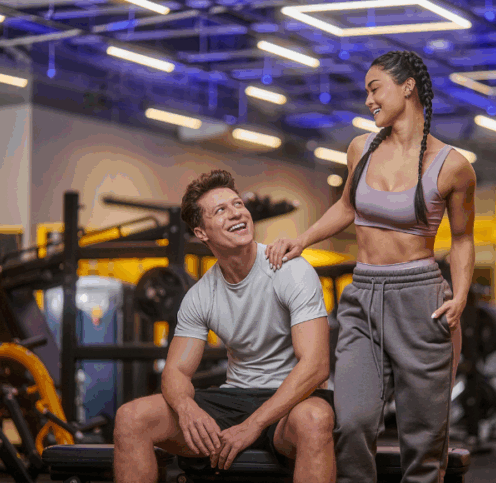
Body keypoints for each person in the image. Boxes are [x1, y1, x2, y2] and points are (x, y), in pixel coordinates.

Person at [266, 50, 476, 483]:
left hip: (421, 300)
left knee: (423, 440)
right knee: (353, 421)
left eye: (374, 88)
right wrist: (301, 241)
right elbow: (346, 207)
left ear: (408, 87)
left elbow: (462, 238)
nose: (368, 101)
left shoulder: (453, 166)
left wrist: (461, 297)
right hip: (362, 296)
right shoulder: (360, 149)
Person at [113, 169, 336, 483]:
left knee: (316, 418)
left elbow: (316, 366)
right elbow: (175, 372)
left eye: (238, 205)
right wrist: (186, 407)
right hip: (234, 400)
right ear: (202, 233)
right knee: (131, 417)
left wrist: (252, 426)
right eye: (221, 210)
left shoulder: (290, 271)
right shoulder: (200, 296)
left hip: (291, 403)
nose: (237, 213)